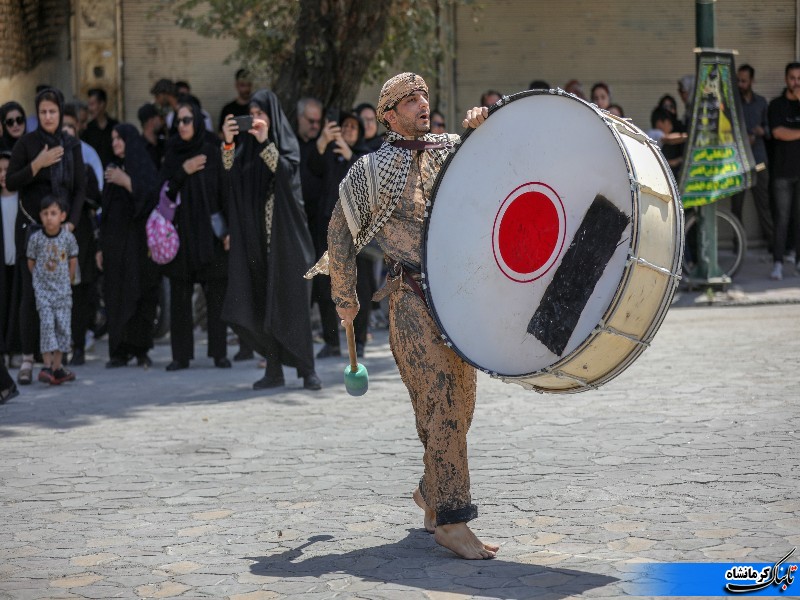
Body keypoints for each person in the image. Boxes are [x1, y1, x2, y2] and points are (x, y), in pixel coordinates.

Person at [315, 72, 498, 559]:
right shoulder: (371, 170)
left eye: (423, 95)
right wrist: (345, 297)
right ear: (389, 116)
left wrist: (483, 126)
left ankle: (431, 494)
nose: (421, 103)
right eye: (409, 99)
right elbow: (339, 236)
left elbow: (495, 167)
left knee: (461, 406)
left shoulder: (453, 149)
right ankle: (452, 521)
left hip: (458, 299)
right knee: (440, 406)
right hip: (411, 300)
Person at [220, 89, 321, 391]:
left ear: (272, 117)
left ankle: (308, 371)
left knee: (294, 305)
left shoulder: (286, 145)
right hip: (259, 245)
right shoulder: (246, 151)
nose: (255, 119)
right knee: (265, 305)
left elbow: (286, 173)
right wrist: (228, 143)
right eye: (251, 114)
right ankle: (273, 370)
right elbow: (229, 179)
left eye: (260, 114)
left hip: (288, 243)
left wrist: (266, 142)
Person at [6, 87, 86, 386]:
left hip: (61, 232)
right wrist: (37, 164)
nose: (48, 117)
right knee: (30, 295)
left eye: (53, 111)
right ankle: (28, 359)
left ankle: (56, 362)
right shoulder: (27, 143)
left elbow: (80, 188)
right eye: (43, 112)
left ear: (60, 113)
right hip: (31, 230)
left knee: (60, 296)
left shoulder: (71, 144)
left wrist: (71, 223)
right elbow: (11, 181)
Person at [160, 102, 230, 371]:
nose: (182, 126)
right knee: (180, 297)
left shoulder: (212, 150)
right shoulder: (172, 154)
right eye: (178, 121)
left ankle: (219, 353)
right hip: (181, 236)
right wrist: (184, 171)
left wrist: (229, 230)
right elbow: (164, 193)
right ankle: (181, 356)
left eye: (187, 120)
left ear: (198, 122)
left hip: (210, 235)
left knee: (216, 296)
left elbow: (225, 191)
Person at [308, 111, 372, 359]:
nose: (348, 130)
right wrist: (323, 142)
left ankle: (359, 340)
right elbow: (312, 168)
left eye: (353, 127)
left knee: (360, 287)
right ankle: (331, 341)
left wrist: (349, 156)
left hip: (357, 232)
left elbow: (368, 181)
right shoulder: (329, 154)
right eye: (344, 126)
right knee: (326, 286)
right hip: (328, 229)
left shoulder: (365, 155)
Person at [99, 124, 160, 368]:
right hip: (115, 245)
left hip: (141, 244)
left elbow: (152, 199)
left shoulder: (143, 166)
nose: (115, 142)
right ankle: (119, 351)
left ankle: (141, 349)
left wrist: (127, 182)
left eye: (120, 138)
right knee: (116, 295)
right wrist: (100, 247)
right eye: (113, 138)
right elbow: (106, 211)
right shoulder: (111, 169)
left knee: (141, 293)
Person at [60, 109, 100, 366]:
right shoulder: (49, 168)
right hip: (54, 240)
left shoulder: (86, 167)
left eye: (70, 130)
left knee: (81, 294)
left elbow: (97, 198)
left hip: (81, 239)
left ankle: (78, 346)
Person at [26, 196, 79, 385]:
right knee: (47, 325)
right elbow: (31, 262)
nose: (49, 218)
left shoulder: (68, 238)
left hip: (63, 292)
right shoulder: (36, 239)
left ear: (62, 216)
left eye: (53, 213)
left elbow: (72, 260)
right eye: (45, 213)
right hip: (44, 292)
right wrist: (40, 281)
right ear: (40, 216)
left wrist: (67, 281)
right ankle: (47, 366)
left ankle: (57, 367)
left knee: (63, 327)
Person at [730, 64, 773, 251]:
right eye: (738, 80)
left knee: (763, 202)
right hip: (738, 162)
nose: (740, 84)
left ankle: (773, 244)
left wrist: (762, 131)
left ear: (752, 81)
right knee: (736, 205)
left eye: (744, 81)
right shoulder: (732, 103)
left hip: (758, 162)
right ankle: (738, 244)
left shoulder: (761, 102)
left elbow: (770, 130)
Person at [767, 62, 800, 281]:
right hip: (782, 173)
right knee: (781, 219)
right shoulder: (777, 105)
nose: (796, 83)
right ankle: (777, 263)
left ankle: (798, 260)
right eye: (792, 78)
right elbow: (779, 132)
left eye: (799, 78)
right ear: (786, 79)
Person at [1, 151, 20, 366]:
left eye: (7, 170)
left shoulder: (21, 198)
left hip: (18, 259)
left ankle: (16, 349)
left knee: (17, 304)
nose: (3, 175)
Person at [82, 88, 119, 168]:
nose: (90, 109)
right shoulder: (87, 129)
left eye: (92, 104)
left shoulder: (115, 126)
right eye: (89, 105)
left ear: (102, 104)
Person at [137, 103, 166, 168]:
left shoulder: (163, 144)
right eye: (160, 118)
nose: (162, 121)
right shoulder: (138, 148)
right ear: (151, 121)